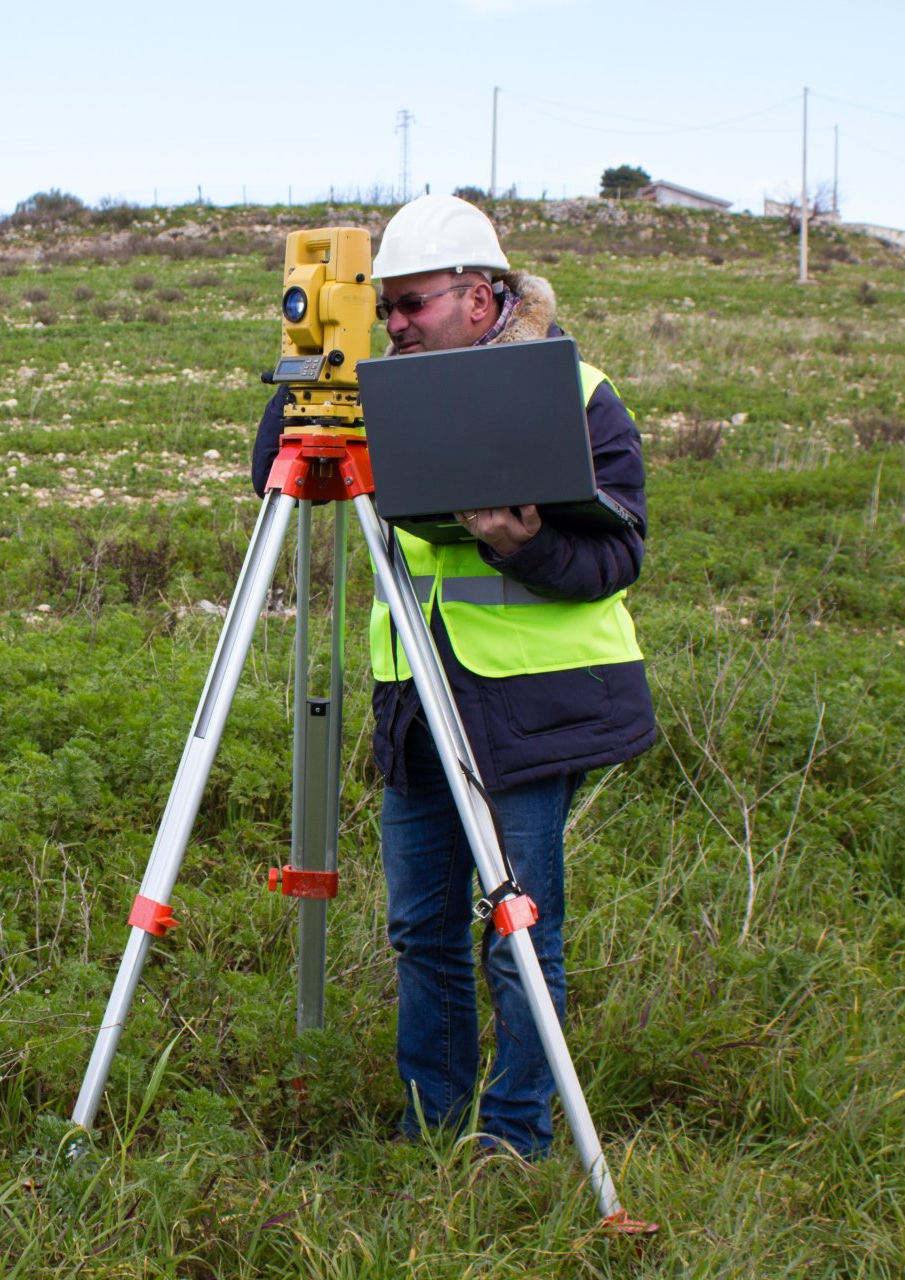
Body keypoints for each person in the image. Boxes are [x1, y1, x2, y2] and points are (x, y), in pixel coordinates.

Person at [250, 193, 656, 1157]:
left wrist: (526, 547)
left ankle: (514, 1137)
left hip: (536, 705)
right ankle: (429, 1121)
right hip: (416, 703)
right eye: (382, 306)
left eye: (412, 305)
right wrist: (317, 368)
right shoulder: (377, 390)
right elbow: (275, 468)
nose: (395, 325)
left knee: (516, 932)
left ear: (480, 297)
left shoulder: (578, 391)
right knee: (420, 926)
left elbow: (620, 555)